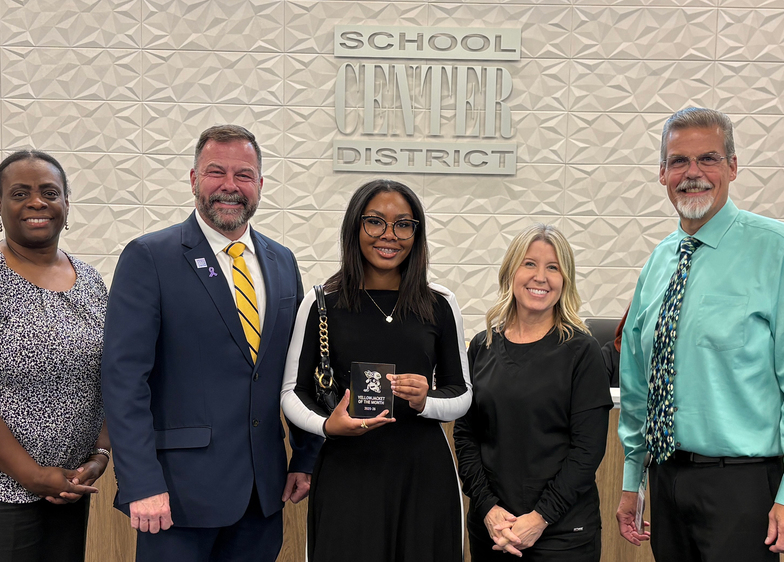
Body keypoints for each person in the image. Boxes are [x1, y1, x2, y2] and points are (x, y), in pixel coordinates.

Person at [615, 107, 784, 561]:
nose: (693, 174)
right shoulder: (659, 260)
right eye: (678, 161)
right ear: (662, 173)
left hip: (743, 487)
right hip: (667, 481)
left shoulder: (778, 249)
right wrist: (633, 480)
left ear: (732, 167)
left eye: (708, 158)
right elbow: (638, 384)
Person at [101, 124, 322, 562]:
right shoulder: (150, 257)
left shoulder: (282, 262)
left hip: (262, 495)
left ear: (260, 184)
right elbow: (124, 380)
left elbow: (295, 372)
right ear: (193, 179)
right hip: (176, 498)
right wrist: (141, 482)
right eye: (215, 172)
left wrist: (304, 456)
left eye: (243, 175)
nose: (229, 186)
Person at [0, 150, 110, 562]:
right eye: (20, 193)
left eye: (50, 192)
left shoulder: (91, 281)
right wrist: (31, 475)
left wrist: (99, 454)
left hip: (67, 485)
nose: (37, 202)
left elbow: (108, 373)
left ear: (67, 203)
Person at [281, 179, 472, 562]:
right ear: (355, 227)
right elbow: (291, 392)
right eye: (375, 222)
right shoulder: (322, 303)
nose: (390, 235)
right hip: (347, 472)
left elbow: (462, 392)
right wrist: (325, 426)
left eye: (403, 224)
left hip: (423, 475)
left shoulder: (440, 303)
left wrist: (426, 401)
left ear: (416, 234)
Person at [454, 224, 612, 561]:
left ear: (564, 279)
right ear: (511, 271)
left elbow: (587, 450)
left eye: (553, 267)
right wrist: (487, 508)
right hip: (493, 531)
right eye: (529, 264)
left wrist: (540, 518)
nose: (540, 277)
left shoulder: (581, 351)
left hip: (562, 534)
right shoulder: (483, 346)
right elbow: (467, 437)